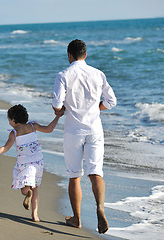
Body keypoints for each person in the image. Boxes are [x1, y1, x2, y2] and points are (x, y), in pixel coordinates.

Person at [52, 39, 116, 234]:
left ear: (69, 55)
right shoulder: (98, 74)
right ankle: (100, 208)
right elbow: (111, 101)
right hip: (95, 128)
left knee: (74, 175)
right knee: (96, 172)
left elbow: (57, 104)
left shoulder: (63, 75)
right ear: (85, 55)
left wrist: (60, 111)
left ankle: (76, 218)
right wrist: (95, 108)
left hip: (73, 130)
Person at [0, 104, 64, 222]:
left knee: (24, 190)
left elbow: (5, 148)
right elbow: (49, 129)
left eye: (9, 119)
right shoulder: (33, 126)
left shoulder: (14, 133)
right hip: (38, 162)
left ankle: (28, 193)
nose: (9, 122)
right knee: (35, 188)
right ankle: (35, 215)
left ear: (14, 119)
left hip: (25, 164)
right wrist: (58, 117)